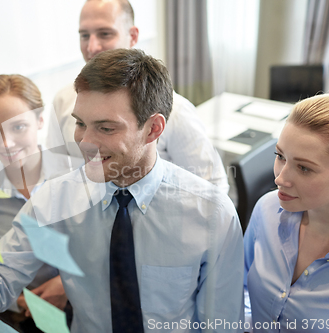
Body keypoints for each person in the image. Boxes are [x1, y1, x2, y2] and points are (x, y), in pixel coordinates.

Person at [0, 49, 244, 332]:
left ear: (154, 129)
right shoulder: (55, 199)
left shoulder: (211, 213)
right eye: (80, 123)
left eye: (105, 127)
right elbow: (1, 281)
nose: (85, 142)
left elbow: (221, 323)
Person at [46, 0, 229, 193]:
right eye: (84, 35)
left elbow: (213, 188)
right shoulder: (63, 101)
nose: (92, 47)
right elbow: (54, 174)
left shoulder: (176, 111)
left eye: (105, 34)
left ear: (132, 36)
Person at [0, 74, 82, 331]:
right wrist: (16, 301)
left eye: (17, 127)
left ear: (39, 120)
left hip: (87, 307)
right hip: (20, 318)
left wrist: (65, 284)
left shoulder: (77, 174)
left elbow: (107, 245)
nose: (6, 143)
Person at [244, 94, 329, 332]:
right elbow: (240, 286)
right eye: (280, 156)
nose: (279, 178)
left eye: (304, 168)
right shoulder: (267, 209)